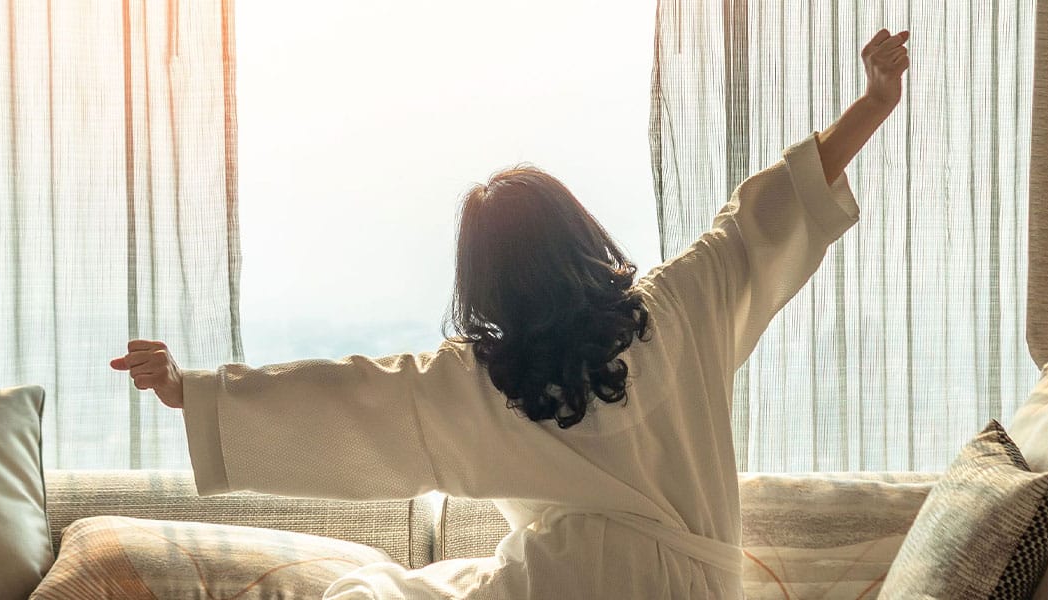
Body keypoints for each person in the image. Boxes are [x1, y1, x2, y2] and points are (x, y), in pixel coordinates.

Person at [112, 28, 910, 599]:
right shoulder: (681, 307)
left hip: (562, 584)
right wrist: (872, 104)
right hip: (698, 584)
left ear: (484, 285)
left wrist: (198, 390)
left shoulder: (480, 381)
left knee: (371, 592)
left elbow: (350, 397)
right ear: (581, 234)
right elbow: (761, 217)